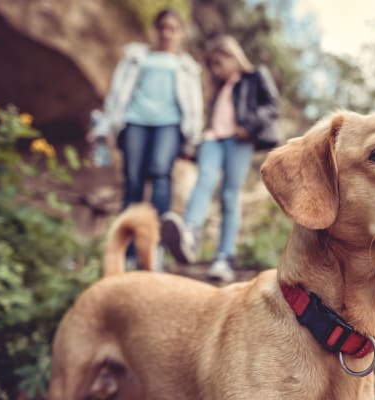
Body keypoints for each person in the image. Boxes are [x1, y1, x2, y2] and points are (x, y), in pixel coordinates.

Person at [89, 9, 203, 271]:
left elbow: (194, 104)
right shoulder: (136, 58)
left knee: (161, 175)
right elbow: (117, 94)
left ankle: (155, 250)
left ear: (181, 33)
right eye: (163, 27)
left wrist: (192, 136)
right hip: (135, 121)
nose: (167, 33)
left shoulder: (187, 67)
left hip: (169, 125)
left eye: (173, 28)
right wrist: (106, 125)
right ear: (156, 30)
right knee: (133, 182)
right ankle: (127, 253)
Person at [161, 35, 279, 282]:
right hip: (213, 140)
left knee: (229, 195)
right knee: (204, 180)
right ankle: (190, 235)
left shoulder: (255, 76)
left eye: (218, 63)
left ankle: (224, 257)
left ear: (232, 56)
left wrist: (248, 126)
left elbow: (271, 106)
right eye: (212, 65)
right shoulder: (219, 90)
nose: (215, 70)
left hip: (240, 140)